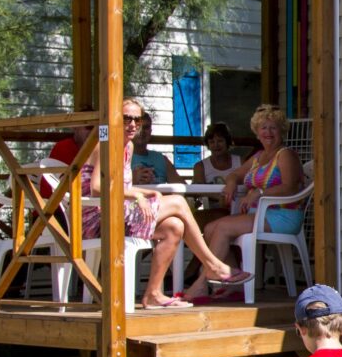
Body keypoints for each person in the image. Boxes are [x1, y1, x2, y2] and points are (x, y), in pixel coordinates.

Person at [62, 109, 249, 308]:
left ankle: (153, 294)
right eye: (127, 118)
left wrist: (145, 192)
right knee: (177, 202)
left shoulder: (128, 147)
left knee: (174, 226)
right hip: (96, 218)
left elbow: (121, 185)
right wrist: (136, 194)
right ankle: (211, 265)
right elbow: (97, 187)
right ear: (115, 118)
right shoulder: (105, 143)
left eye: (138, 119)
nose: (133, 124)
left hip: (116, 212)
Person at [180, 104, 304, 300]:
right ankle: (236, 280)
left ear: (281, 130)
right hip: (259, 215)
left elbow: (291, 186)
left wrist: (259, 192)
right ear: (257, 132)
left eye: (273, 127)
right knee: (211, 228)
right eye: (263, 128)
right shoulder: (257, 157)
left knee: (221, 228)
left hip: (282, 215)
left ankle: (201, 284)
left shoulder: (286, 154)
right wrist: (230, 182)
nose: (268, 132)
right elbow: (236, 174)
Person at [124, 98, 178, 185]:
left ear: (150, 131)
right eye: (139, 127)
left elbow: (182, 186)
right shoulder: (121, 156)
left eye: (146, 127)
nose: (142, 131)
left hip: (159, 197)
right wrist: (133, 179)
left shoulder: (161, 159)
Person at [192, 121, 244, 188]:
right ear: (208, 145)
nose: (216, 145)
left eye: (220, 141)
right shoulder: (200, 166)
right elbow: (198, 190)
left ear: (227, 142)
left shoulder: (241, 162)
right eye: (212, 142)